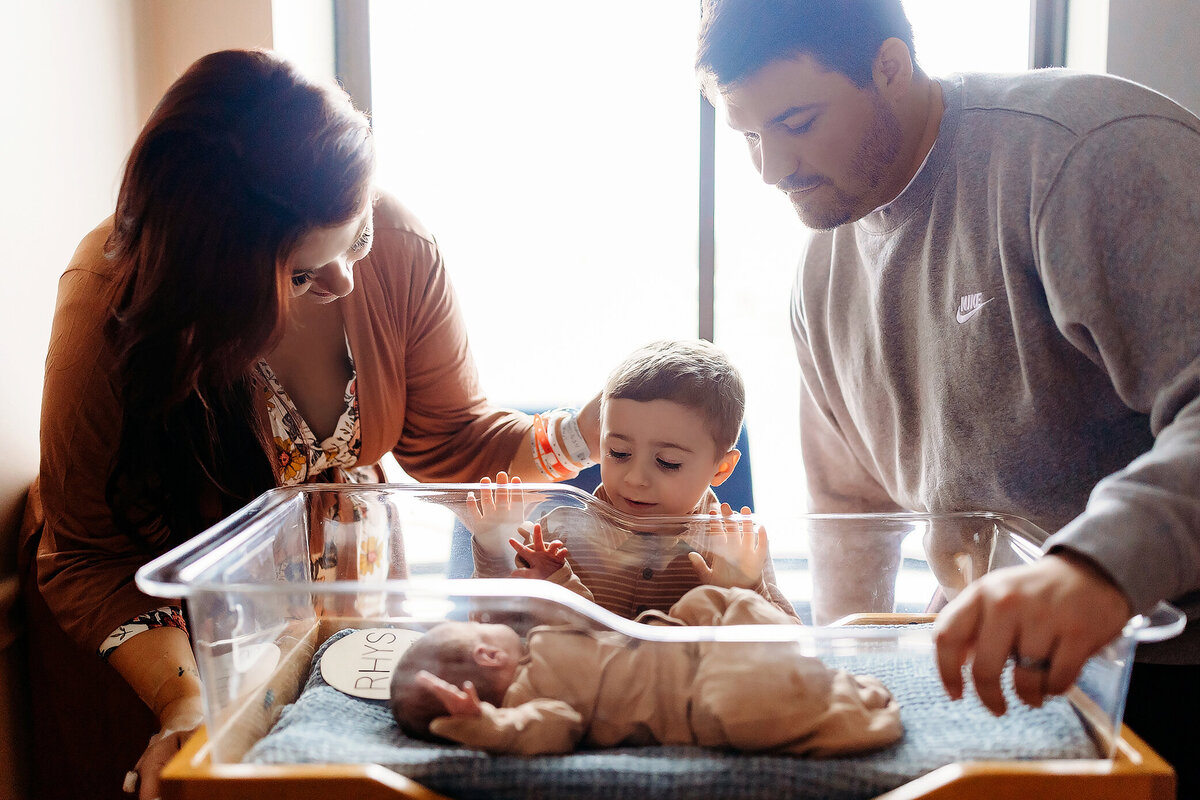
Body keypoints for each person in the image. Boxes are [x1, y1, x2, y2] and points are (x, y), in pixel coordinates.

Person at [17, 49, 598, 800]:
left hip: (348, 592)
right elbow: (89, 553)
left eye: (354, 239)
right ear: (212, 280)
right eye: (298, 275)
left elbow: (455, 443)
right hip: (167, 637)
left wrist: (581, 435)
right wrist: (185, 704)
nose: (345, 281)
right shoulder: (109, 299)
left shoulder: (398, 246)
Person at [694, 0, 1200, 793]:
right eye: (751, 135)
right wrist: (841, 683)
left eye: (797, 120)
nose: (770, 166)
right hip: (1008, 682)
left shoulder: (1083, 157)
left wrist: (1093, 569)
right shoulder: (822, 275)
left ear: (890, 67)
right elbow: (850, 499)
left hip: (1164, 659)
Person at [466, 339, 798, 620]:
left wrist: (743, 590)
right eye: (619, 453)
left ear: (721, 469)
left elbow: (795, 655)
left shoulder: (733, 548)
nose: (635, 478)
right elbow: (490, 637)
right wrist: (496, 546)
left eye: (667, 462)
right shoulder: (557, 534)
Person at [390, 584, 902, 756]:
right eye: (481, 630)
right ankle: (842, 697)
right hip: (695, 693)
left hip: (694, 633)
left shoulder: (542, 638)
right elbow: (553, 730)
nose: (494, 626)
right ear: (487, 656)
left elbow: (591, 613)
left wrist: (549, 586)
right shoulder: (529, 706)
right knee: (739, 706)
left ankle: (820, 684)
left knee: (706, 605)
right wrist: (488, 725)